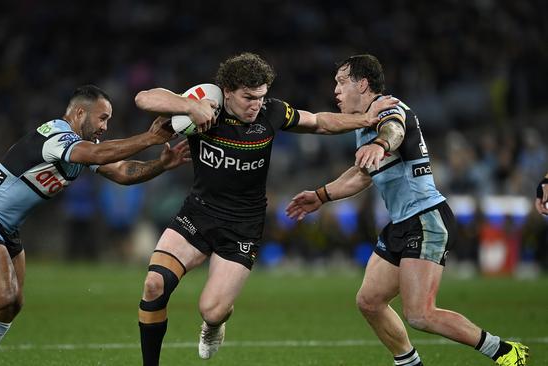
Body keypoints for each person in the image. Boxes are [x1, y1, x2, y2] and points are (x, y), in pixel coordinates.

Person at [133, 52, 399, 365]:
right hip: (198, 214)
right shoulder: (206, 107)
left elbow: (319, 122)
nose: (255, 104)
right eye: (248, 97)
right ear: (227, 92)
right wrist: (190, 105)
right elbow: (145, 98)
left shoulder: (272, 113)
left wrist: (365, 120)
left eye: (261, 97)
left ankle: (215, 324)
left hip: (243, 226)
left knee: (212, 309)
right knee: (154, 285)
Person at [0, 85, 196, 366]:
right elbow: (97, 155)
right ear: (80, 113)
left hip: (7, 228)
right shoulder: (55, 135)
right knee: (1, 294)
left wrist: (160, 165)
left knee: (12, 303)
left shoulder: (83, 147)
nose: (105, 127)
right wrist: (149, 138)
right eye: (103, 118)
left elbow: (121, 172)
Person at [285, 54, 530, 366]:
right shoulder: (365, 124)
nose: (335, 89)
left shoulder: (390, 108)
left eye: (341, 82)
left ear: (362, 84)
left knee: (420, 314)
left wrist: (381, 145)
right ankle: (409, 363)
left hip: (426, 219)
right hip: (403, 223)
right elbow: (362, 174)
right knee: (370, 301)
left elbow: (395, 131)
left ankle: (505, 352)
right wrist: (321, 195)